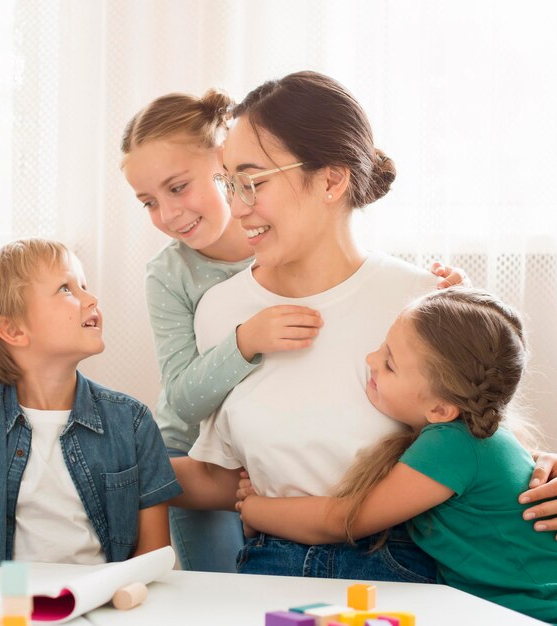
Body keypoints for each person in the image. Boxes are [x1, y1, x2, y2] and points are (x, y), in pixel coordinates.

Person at [170, 70, 557, 579]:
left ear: (331, 180)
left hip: (406, 570)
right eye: (229, 182)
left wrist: (543, 470)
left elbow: (476, 436)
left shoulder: (423, 299)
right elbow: (222, 475)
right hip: (271, 563)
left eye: (253, 182)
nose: (237, 207)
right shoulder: (221, 312)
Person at [236, 287, 557, 624]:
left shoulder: (451, 446)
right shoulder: (476, 437)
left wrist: (254, 508)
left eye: (389, 364)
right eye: (382, 347)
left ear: (440, 408)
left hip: (530, 613)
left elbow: (343, 520)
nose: (371, 360)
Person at [120, 90, 325, 572]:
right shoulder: (169, 274)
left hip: (273, 451)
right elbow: (185, 399)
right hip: (194, 459)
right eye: (148, 201)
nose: (168, 215)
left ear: (225, 161)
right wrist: (245, 341)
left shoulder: (290, 241)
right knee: (219, 585)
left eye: (177, 188)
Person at [0, 238, 181, 574]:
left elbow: (153, 554)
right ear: (13, 329)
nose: (91, 299)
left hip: (106, 605)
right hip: (9, 609)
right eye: (66, 288)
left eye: (84, 286)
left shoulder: (132, 422)